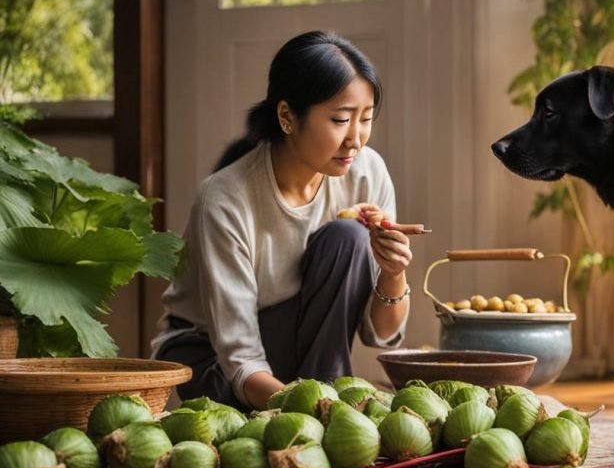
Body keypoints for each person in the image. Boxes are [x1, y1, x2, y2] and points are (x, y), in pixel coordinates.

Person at [152, 30, 423, 411]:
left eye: (366, 119)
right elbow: (240, 358)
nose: (356, 139)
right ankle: (320, 415)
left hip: (298, 354)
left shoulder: (367, 173)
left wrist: (393, 272)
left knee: (348, 237)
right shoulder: (226, 198)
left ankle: (321, 408)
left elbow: (380, 334)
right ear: (286, 117)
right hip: (214, 357)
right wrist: (315, 412)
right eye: (341, 119)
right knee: (348, 237)